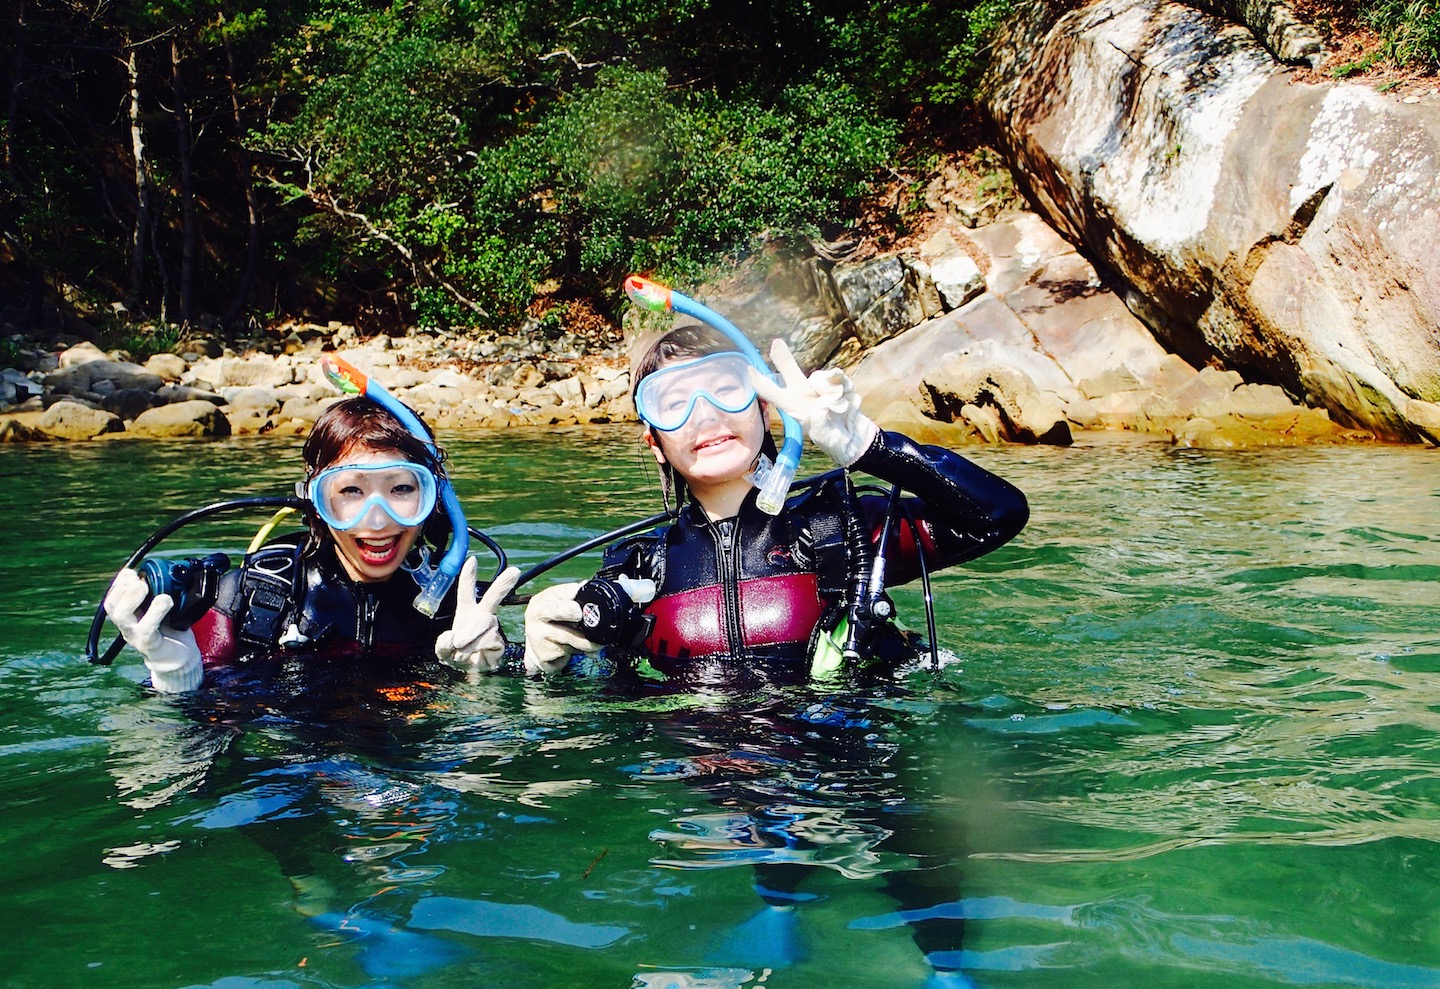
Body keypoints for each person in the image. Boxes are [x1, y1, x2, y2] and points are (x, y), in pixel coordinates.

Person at [522, 324, 1029, 678]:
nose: (706, 415)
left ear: (766, 410)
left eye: (726, 389)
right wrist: (541, 664)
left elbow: (997, 515)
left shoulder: (841, 529)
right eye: (675, 404)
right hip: (703, 809)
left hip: (843, 793)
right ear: (655, 444)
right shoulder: (636, 571)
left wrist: (871, 447)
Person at [103, 395, 519, 693]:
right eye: (352, 492)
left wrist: (516, 670)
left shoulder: (459, 608)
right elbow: (170, 780)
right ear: (316, 503)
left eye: (402, 489)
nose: (377, 520)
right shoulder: (251, 600)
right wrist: (175, 680)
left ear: (434, 501)